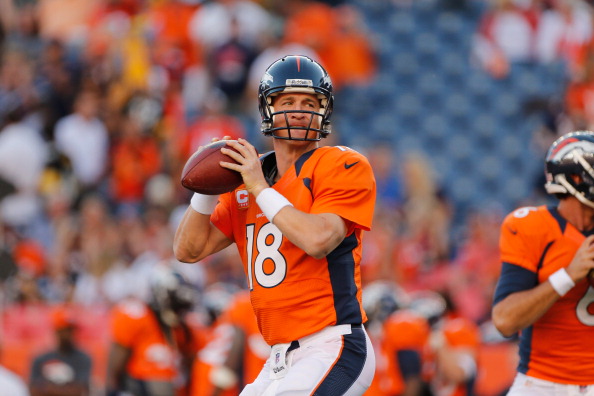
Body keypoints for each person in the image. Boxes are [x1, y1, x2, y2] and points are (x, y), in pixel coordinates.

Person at [174, 54, 377, 395]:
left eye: (309, 102)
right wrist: (207, 190)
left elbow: (319, 239)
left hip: (332, 345)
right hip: (279, 358)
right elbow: (187, 250)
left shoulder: (341, 164)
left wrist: (259, 188)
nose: (298, 110)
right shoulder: (248, 178)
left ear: (324, 110)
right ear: (267, 109)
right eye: (287, 101)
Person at [492, 130, 594, 395]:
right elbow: (505, 320)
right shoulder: (532, 227)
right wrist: (568, 276)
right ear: (575, 176)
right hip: (542, 384)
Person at [106, 264, 202, 396]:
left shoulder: (181, 330)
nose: (180, 311)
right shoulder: (137, 317)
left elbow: (190, 364)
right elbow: (113, 369)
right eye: (176, 303)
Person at [29, 306, 92, 396]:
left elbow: (78, 391)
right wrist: (66, 389)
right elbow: (33, 390)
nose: (69, 334)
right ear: (57, 331)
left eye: (71, 330)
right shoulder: (41, 358)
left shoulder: (83, 358)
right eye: (65, 330)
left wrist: (47, 388)